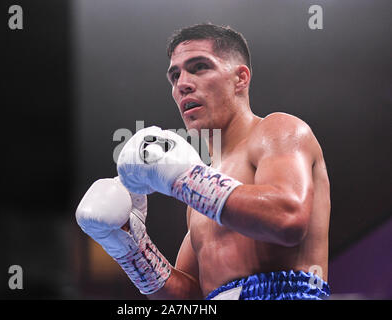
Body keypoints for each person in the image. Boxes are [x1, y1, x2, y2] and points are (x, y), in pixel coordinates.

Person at [76, 23, 331, 300]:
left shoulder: (279, 130)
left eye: (199, 67)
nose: (182, 84)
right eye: (174, 76)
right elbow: (190, 299)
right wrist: (132, 248)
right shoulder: (201, 194)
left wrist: (185, 180)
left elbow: (288, 218)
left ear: (240, 78)